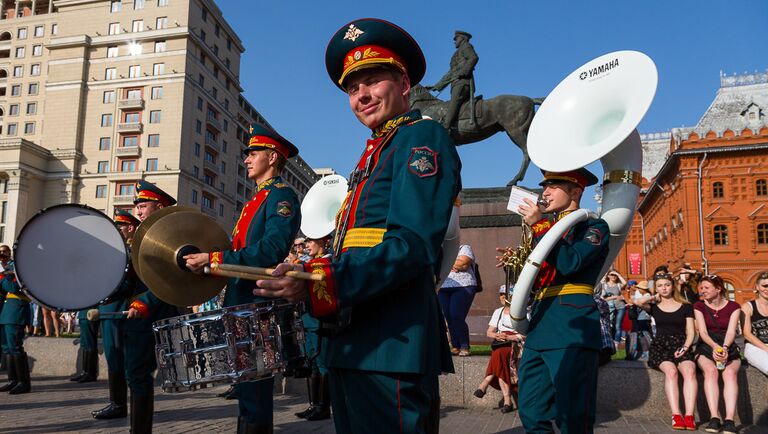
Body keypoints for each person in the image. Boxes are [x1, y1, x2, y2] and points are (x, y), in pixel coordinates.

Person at [254, 18, 462, 434]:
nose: (362, 95)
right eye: (352, 88)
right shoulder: (377, 151)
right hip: (354, 338)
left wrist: (320, 276)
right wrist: (307, 273)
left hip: (391, 342)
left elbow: (412, 245)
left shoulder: (421, 139)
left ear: (403, 83)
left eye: (372, 80)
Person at [185, 123, 301, 433]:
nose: (246, 159)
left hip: (258, 302)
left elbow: (271, 249)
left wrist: (216, 259)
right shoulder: (255, 201)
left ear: (273, 157)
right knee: (245, 384)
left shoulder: (281, 196)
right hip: (240, 302)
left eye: (253, 153)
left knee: (256, 386)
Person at [515, 168, 609, 434]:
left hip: (571, 325)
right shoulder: (546, 228)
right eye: (545, 187)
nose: (545, 192)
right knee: (531, 410)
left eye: (554, 187)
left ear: (576, 192)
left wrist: (541, 226)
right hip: (541, 324)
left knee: (573, 415)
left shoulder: (593, 226)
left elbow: (571, 262)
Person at [123, 180, 180, 433]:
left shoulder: (168, 236)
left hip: (152, 313)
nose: (138, 211)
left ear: (159, 206)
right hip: (137, 315)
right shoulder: (141, 237)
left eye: (143, 206)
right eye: (138, 206)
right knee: (135, 376)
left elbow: (167, 278)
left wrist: (142, 303)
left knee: (139, 376)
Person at [91, 209, 140, 420]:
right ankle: (117, 402)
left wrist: (104, 288)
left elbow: (129, 284)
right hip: (108, 309)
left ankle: (119, 405)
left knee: (118, 358)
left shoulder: (131, 251)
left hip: (118, 308)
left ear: (130, 228)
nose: (117, 230)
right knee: (113, 357)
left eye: (120, 226)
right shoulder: (117, 250)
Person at [635, 273, 697, 431]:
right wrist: (654, 296)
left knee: (689, 370)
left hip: (682, 344)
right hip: (661, 346)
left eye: (667, 285)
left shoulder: (686, 306)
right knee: (671, 371)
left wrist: (685, 347)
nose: (664, 288)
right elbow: (637, 301)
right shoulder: (654, 307)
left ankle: (689, 416)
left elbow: (691, 332)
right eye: (660, 285)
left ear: (673, 286)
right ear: (656, 288)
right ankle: (676, 415)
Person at [693, 274, 741, 434]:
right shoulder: (699, 306)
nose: (702, 291)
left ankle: (729, 419)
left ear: (718, 289)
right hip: (707, 345)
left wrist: (725, 348)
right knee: (711, 371)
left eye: (706, 288)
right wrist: (714, 347)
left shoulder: (734, 306)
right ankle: (714, 418)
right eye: (701, 288)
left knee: (730, 374)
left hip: (728, 345)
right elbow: (703, 332)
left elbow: (731, 331)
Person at [294, 234, 333, 422]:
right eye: (306, 241)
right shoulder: (310, 262)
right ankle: (314, 404)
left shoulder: (329, 262)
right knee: (313, 363)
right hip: (309, 320)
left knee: (323, 364)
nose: (307, 245)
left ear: (324, 242)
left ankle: (323, 406)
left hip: (321, 322)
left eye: (310, 241)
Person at [473, 285, 524, 413]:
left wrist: (510, 337)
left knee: (500, 354)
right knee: (500, 354)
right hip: (501, 343)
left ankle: (486, 383)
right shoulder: (498, 311)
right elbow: (489, 332)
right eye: (501, 294)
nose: (503, 297)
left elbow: (526, 334)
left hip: (517, 344)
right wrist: (497, 335)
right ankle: (507, 401)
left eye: (506, 295)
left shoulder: (523, 311)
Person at [425, 30, 478, 136]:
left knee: (454, 102)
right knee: (453, 103)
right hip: (456, 82)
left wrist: (464, 72)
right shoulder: (457, 53)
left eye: (456, 39)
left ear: (462, 38)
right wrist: (436, 86)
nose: (454, 42)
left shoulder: (466, 46)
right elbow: (450, 73)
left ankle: (446, 127)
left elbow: (473, 58)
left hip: (463, 82)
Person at [0, 244, 31, 394]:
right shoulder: (5, 268)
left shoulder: (18, 267)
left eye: (4, 251)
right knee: (7, 346)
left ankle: (23, 382)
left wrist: (2, 275)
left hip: (16, 308)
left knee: (15, 346)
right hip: (7, 310)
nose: (2, 254)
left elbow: (13, 288)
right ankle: (13, 380)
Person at [438, 244, 478, 357]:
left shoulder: (463, 248)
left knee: (456, 315)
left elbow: (463, 264)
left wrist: (443, 263)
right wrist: (453, 263)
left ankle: (464, 346)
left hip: (464, 286)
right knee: (448, 317)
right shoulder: (439, 249)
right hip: (443, 287)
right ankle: (455, 346)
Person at [742, 271, 768, 376]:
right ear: (757, 287)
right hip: (755, 347)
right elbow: (747, 334)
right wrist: (766, 349)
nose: (767, 289)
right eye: (764, 286)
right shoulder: (748, 307)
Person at [70, 308, 99, 383]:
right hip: (83, 314)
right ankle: (85, 372)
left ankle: (90, 374)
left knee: (89, 344)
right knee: (85, 344)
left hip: (89, 313)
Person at [627, 280, 653, 361]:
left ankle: (648, 353)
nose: (638, 289)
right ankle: (643, 352)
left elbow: (635, 302)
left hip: (643, 318)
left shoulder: (647, 296)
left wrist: (633, 302)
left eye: (639, 288)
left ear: (644, 289)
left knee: (645, 335)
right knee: (641, 335)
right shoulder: (644, 295)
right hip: (640, 318)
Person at [601, 270, 627, 345]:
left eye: (614, 275)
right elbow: (603, 298)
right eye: (612, 275)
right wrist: (615, 296)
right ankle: (610, 341)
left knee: (618, 325)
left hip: (620, 307)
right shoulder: (605, 285)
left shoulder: (618, 285)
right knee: (609, 324)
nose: (613, 276)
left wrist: (618, 274)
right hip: (609, 308)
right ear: (608, 276)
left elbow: (625, 283)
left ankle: (616, 344)